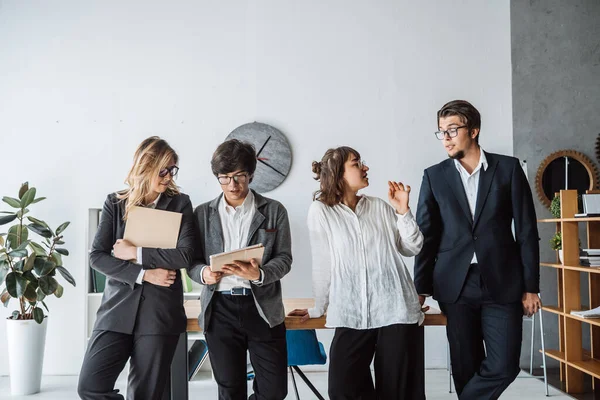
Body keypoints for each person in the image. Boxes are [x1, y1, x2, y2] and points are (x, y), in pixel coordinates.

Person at [414, 100, 541, 399]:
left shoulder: (507, 168)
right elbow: (427, 236)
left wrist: (531, 286)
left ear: (473, 130)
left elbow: (526, 231)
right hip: (454, 285)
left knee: (505, 365)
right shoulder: (434, 176)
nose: (445, 138)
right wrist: (420, 286)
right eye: (441, 132)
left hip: (503, 282)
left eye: (452, 130)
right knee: (465, 368)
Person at [289, 146, 425, 400]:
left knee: (398, 394)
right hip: (351, 311)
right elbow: (322, 263)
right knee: (343, 390)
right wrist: (319, 307)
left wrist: (403, 211)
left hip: (395, 309)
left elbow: (412, 247)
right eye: (356, 163)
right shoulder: (320, 211)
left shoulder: (381, 207)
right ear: (337, 173)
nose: (365, 167)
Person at [78, 136, 196, 400]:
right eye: (162, 170)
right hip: (117, 310)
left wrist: (135, 252)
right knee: (90, 387)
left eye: (172, 170)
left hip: (159, 313)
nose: (168, 177)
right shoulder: (115, 203)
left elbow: (186, 255)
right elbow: (97, 256)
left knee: (145, 394)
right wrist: (144, 274)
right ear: (145, 167)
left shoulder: (181, 203)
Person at [188, 139, 292, 400]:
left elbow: (284, 258)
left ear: (251, 175)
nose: (232, 185)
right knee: (230, 390)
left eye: (239, 177)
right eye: (224, 178)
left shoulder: (274, 211)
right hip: (219, 309)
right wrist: (204, 274)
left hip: (262, 308)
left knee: (274, 392)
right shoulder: (202, 214)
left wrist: (259, 274)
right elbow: (191, 262)